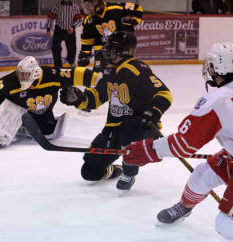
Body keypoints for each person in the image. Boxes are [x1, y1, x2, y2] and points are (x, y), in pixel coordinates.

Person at [124, 42, 233, 242]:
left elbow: (184, 144)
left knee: (226, 225)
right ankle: (185, 207)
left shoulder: (216, 101)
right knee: (202, 174)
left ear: (215, 68)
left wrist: (147, 150)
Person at [60, 31, 172, 190]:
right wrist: (78, 98)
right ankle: (115, 170)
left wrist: (151, 114)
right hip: (114, 130)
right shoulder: (110, 71)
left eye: (111, 47)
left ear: (123, 50)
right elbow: (97, 97)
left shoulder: (137, 68)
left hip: (141, 130)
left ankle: (129, 172)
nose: (107, 50)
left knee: (128, 127)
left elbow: (164, 94)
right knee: (90, 171)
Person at [0, 56, 99, 148]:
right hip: (17, 113)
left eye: (25, 75)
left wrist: (98, 79)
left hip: (43, 112)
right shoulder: (13, 81)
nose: (21, 78)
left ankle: (25, 127)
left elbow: (75, 73)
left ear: (34, 73)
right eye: (20, 74)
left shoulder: (51, 75)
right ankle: (1, 130)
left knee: (49, 132)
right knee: (13, 107)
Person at [78, 0, 143, 73]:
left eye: (88, 5)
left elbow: (137, 8)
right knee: (97, 77)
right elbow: (87, 42)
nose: (86, 8)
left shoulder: (115, 8)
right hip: (101, 52)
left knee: (123, 73)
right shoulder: (88, 20)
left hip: (120, 49)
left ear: (96, 2)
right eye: (84, 5)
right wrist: (84, 57)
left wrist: (129, 23)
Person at [47, 0, 83, 68]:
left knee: (72, 49)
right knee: (55, 48)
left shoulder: (75, 6)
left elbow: (80, 19)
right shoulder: (57, 6)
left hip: (70, 30)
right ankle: (58, 66)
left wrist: (73, 27)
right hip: (59, 29)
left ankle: (71, 62)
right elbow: (50, 17)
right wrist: (48, 29)